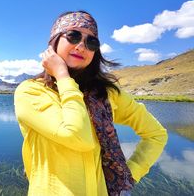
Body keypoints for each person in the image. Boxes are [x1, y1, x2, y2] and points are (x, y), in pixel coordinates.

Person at [14, 11, 168, 196]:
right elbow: (77, 136)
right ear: (53, 42)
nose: (81, 46)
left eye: (91, 42)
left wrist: (128, 176)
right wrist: (62, 75)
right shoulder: (31, 91)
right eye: (73, 35)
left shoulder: (107, 94)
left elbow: (156, 135)